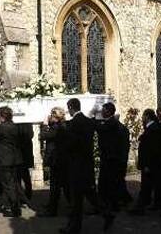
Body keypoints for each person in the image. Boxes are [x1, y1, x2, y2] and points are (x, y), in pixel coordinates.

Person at [59, 98, 109, 234]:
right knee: (89, 195)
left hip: (76, 165)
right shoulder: (87, 121)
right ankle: (106, 214)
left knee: (77, 199)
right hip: (87, 164)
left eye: (68, 108)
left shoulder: (74, 123)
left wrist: (64, 132)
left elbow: (73, 143)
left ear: (70, 107)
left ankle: (74, 227)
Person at [130, 109, 161, 217]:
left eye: (143, 116)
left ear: (147, 116)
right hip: (154, 163)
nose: (142, 118)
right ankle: (146, 206)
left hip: (153, 164)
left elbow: (153, 148)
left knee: (159, 187)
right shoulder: (152, 127)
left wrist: (147, 165)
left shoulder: (153, 128)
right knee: (149, 187)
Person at [96, 102, 132, 214]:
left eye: (103, 110)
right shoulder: (116, 124)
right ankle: (123, 199)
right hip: (114, 158)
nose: (102, 112)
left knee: (109, 182)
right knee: (116, 181)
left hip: (111, 159)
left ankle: (111, 204)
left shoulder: (111, 124)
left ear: (108, 111)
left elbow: (100, 130)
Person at [38, 107, 70, 217]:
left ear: (55, 117)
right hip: (60, 160)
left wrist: (44, 125)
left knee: (55, 187)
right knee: (63, 185)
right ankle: (71, 206)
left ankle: (52, 210)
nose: (49, 117)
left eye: (51, 115)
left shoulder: (57, 128)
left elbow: (42, 136)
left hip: (56, 161)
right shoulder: (61, 125)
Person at [17, 123, 34, 201]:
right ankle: (26, 195)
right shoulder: (28, 124)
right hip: (25, 154)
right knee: (25, 176)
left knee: (21, 176)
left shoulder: (23, 123)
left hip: (21, 154)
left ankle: (24, 196)